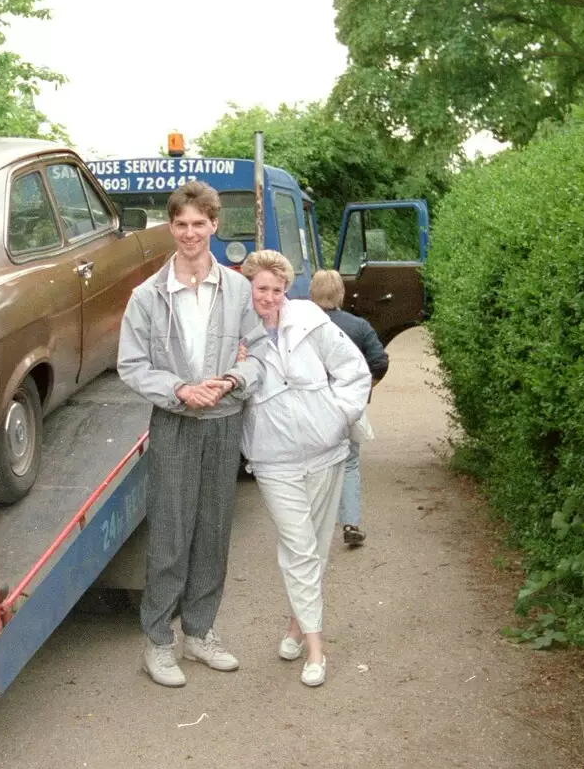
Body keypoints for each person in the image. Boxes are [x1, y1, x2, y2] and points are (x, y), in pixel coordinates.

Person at [118, 180, 266, 688]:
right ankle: (158, 643)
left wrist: (232, 380)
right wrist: (180, 389)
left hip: (224, 423)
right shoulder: (147, 296)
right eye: (180, 224)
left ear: (214, 225)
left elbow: (262, 352)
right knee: (170, 535)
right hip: (176, 424)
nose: (189, 233)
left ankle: (199, 633)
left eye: (199, 224)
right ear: (171, 227)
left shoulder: (240, 289)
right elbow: (131, 365)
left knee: (214, 530)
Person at [240, 251, 371, 687]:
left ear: (288, 290)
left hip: (326, 451)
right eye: (262, 289)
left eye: (277, 289)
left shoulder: (311, 321)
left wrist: (339, 415)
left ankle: (296, 626)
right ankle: (317, 648)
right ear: (249, 287)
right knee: (299, 547)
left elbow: (354, 369)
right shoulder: (235, 330)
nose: (270, 298)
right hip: (273, 459)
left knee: (314, 545)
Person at [307, 269, 389, 550]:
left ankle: (311, 527)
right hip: (348, 409)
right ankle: (351, 523)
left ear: (312, 293)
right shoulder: (359, 326)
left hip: (309, 408)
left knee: (310, 466)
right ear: (341, 293)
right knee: (350, 462)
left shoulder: (299, 326)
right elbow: (379, 362)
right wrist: (363, 391)